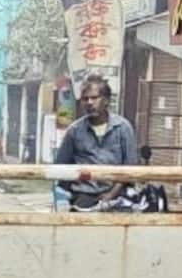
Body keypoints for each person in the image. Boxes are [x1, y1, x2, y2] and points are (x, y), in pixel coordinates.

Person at [53, 73, 139, 208]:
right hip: (83, 195)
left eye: (94, 98)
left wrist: (111, 195)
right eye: (85, 99)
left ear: (106, 100)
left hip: (117, 194)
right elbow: (61, 166)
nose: (89, 103)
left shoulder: (122, 128)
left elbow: (130, 167)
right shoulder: (75, 131)